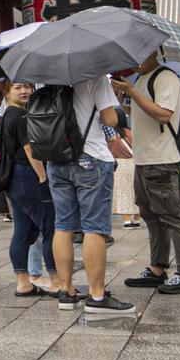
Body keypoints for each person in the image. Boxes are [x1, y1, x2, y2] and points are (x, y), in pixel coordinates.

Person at [45, 75, 129, 313]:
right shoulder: (94, 75)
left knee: (63, 226)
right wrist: (115, 99)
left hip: (57, 158)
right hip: (90, 157)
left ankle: (66, 291)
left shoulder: (45, 78)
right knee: (94, 228)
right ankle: (97, 296)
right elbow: (110, 119)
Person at [116, 54, 180, 295]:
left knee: (172, 215)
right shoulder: (142, 78)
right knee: (151, 215)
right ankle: (157, 268)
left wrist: (134, 91)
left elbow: (164, 114)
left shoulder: (166, 77)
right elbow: (139, 113)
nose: (135, 57)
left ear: (155, 51)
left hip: (161, 159)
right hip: (142, 158)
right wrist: (125, 99)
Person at [0, 82, 60, 297]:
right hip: (28, 175)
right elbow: (29, 147)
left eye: (27, 87)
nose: (24, 91)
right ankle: (56, 281)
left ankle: (23, 283)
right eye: (17, 88)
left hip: (13, 178)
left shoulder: (6, 115)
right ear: (7, 92)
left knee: (22, 231)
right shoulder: (22, 117)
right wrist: (43, 175)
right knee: (49, 227)